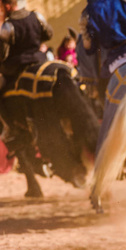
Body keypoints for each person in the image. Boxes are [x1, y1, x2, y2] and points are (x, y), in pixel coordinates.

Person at [0, 0, 53, 154]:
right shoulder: (36, 16)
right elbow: (49, 34)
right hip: (41, 62)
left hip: (18, 68)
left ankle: (11, 127)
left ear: (8, 6)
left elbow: (2, 55)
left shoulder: (7, 27)